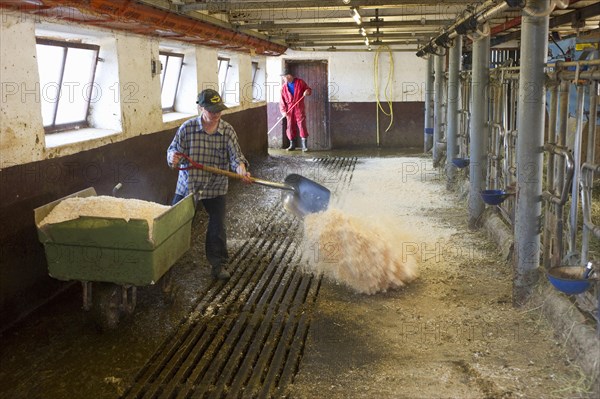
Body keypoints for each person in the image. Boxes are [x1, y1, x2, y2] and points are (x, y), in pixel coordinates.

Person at [166, 88, 251, 281]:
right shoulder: (187, 129)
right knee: (173, 224)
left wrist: (241, 170)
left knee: (217, 225)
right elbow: (172, 153)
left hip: (215, 185)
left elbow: (236, 156)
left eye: (219, 110)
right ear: (201, 108)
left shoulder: (227, 130)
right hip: (189, 186)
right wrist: (173, 158)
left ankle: (218, 264)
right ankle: (166, 263)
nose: (216, 114)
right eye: (212, 110)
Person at [279, 68, 312, 152]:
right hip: (289, 110)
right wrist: (283, 111)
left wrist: (307, 91)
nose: (283, 79)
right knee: (290, 126)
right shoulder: (283, 88)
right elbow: (282, 101)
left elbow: (308, 89)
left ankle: (304, 146)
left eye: (284, 77)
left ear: (289, 76)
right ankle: (292, 145)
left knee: (301, 125)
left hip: (299, 108)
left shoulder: (300, 82)